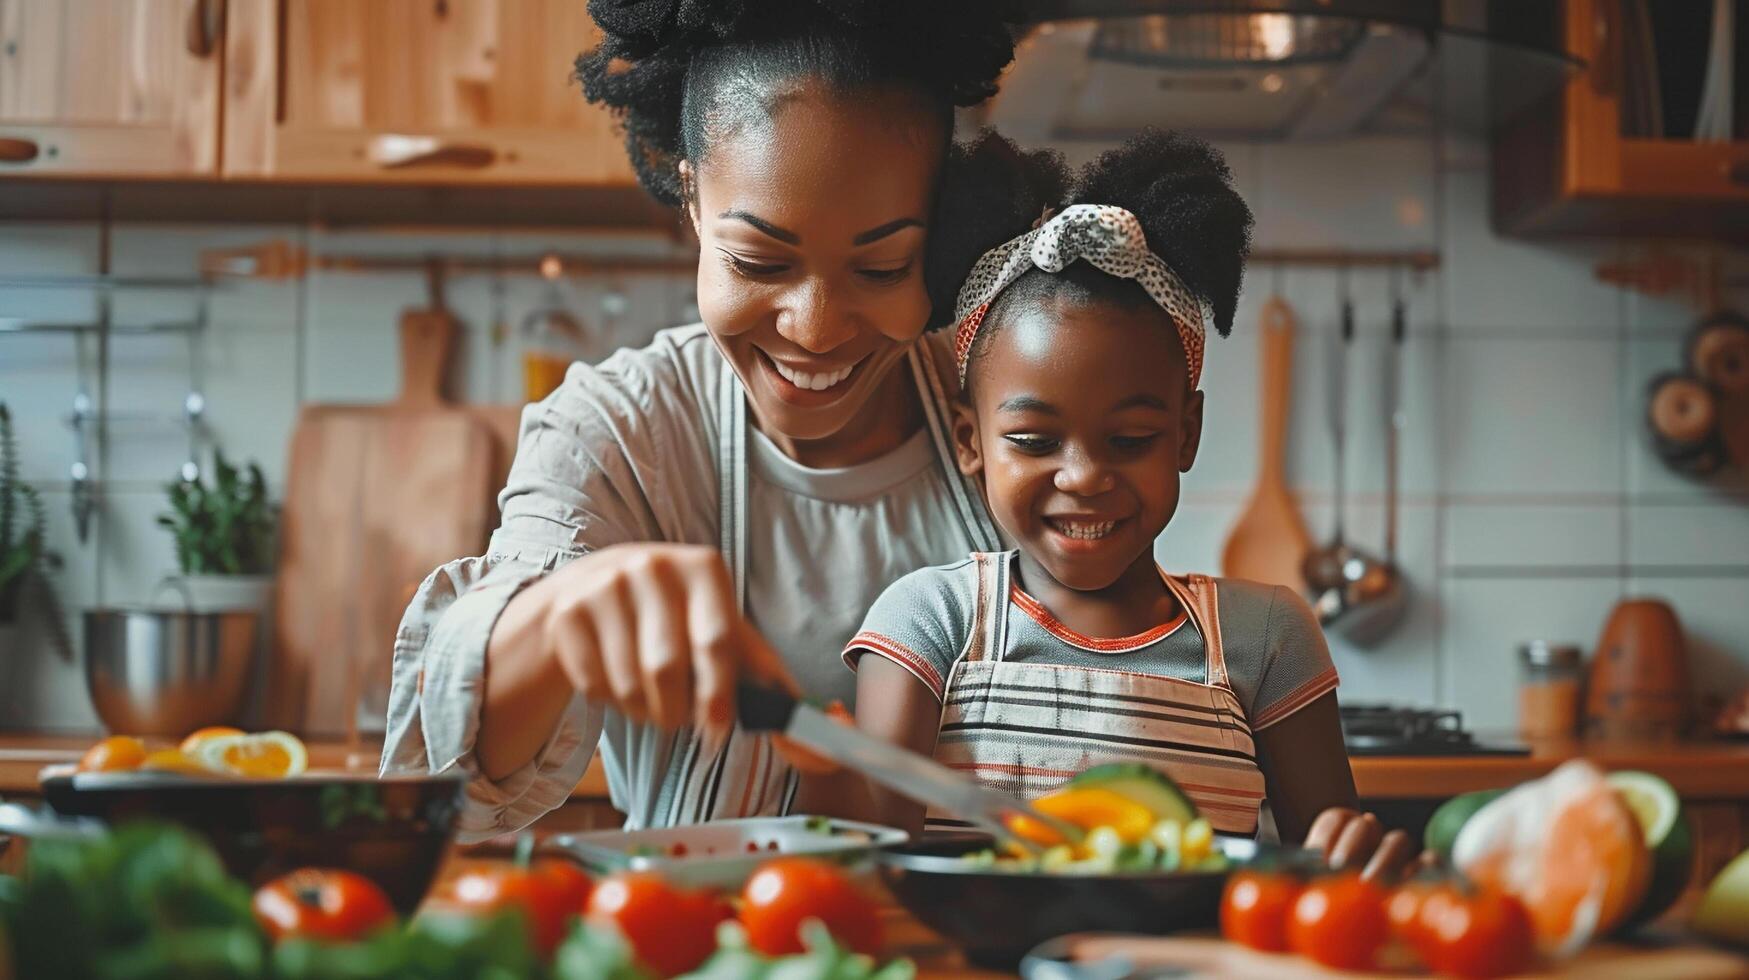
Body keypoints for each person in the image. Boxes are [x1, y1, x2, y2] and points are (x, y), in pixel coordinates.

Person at [381, 0, 1027, 838]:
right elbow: (441, 801)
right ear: (690, 197)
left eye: (881, 266)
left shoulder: (1007, 407)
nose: (816, 326)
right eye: (759, 261)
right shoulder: (618, 431)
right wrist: (554, 617)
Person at [836, 131, 1408, 867]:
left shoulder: (1267, 636)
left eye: (1131, 439)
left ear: (1185, 434)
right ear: (969, 440)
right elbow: (870, 864)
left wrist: (1353, 868)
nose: (1082, 477)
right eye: (1035, 442)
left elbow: (1321, 874)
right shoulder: (929, 622)